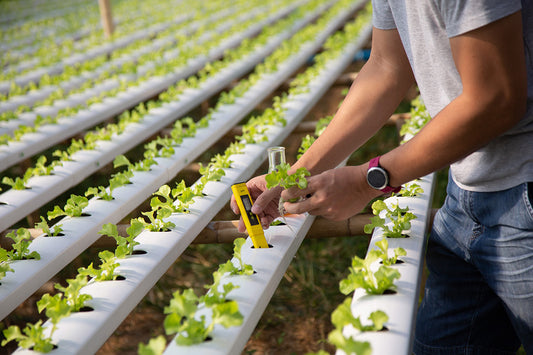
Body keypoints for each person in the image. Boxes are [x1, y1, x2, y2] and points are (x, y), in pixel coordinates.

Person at [231, 0, 533, 353]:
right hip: (466, 193)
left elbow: (496, 98)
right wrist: (296, 174)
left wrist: (367, 180)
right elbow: (387, 66)